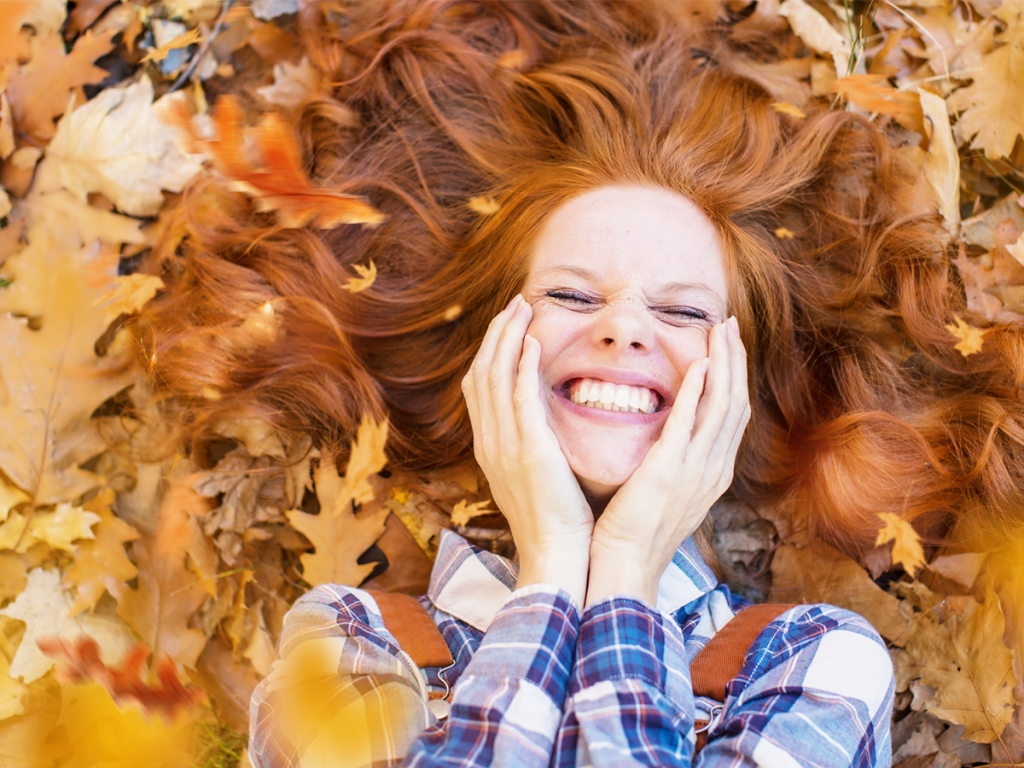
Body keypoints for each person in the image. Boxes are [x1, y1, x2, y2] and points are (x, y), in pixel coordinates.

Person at [134, 1, 1024, 766]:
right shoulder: (346, 641)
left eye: (681, 314)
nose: (624, 327)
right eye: (568, 295)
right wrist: (558, 567)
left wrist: (622, 572)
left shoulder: (815, 662)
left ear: (736, 386)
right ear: (491, 347)